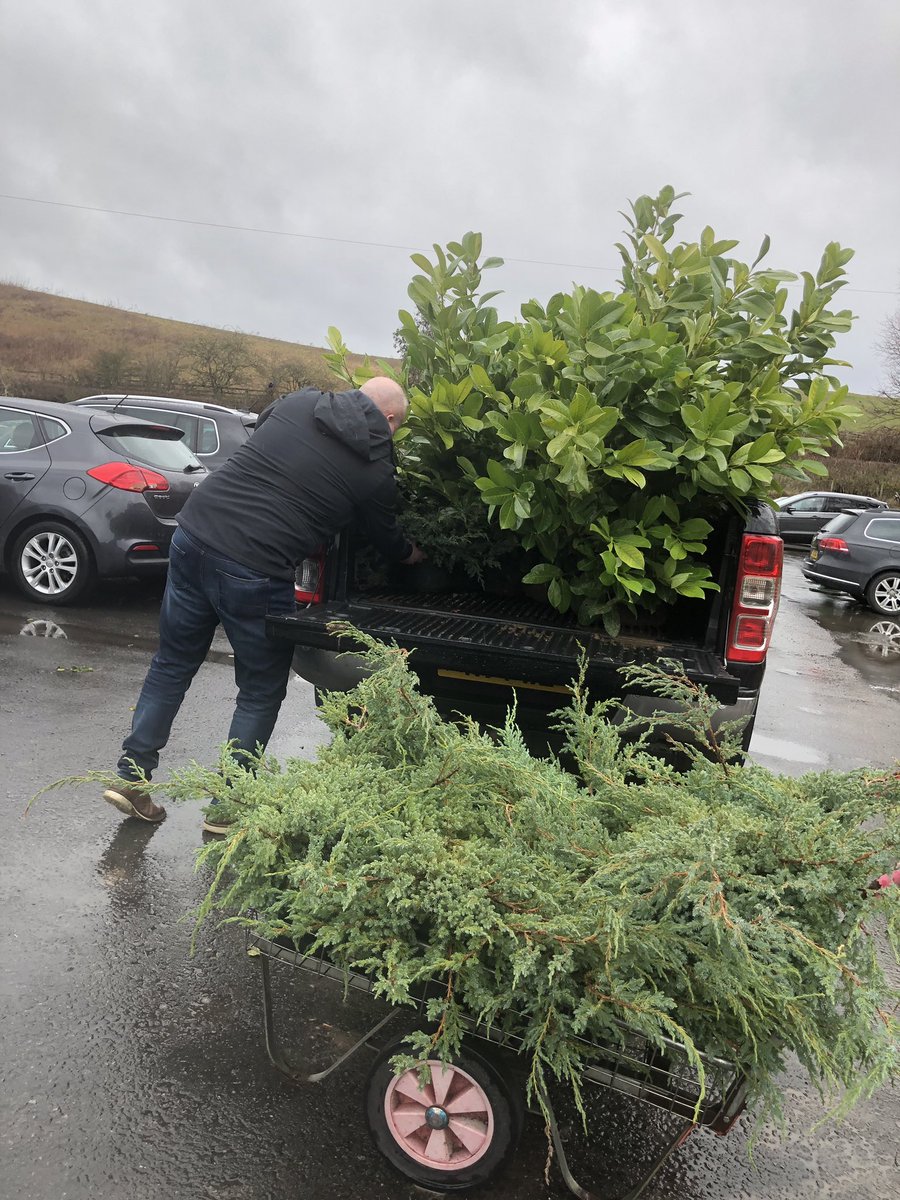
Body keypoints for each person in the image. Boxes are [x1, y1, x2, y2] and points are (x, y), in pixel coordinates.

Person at [102, 377, 423, 832]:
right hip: (255, 566)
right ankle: (227, 806)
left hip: (193, 533)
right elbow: (384, 535)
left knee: (171, 664)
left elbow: (265, 429)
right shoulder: (375, 470)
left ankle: (131, 777)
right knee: (260, 689)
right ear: (389, 419)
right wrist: (412, 555)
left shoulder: (303, 402)